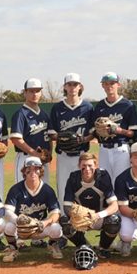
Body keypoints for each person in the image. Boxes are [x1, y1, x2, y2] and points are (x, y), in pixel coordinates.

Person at [1, 157, 63, 262]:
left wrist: (45, 223)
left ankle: (53, 245)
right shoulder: (16, 189)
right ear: (24, 171)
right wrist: (19, 221)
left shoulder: (47, 190)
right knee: (8, 226)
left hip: (39, 228)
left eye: (36, 169)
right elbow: (7, 211)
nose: (32, 172)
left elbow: (55, 213)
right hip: (21, 229)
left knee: (56, 228)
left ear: (41, 171)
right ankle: (13, 248)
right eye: (29, 169)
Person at [62, 152, 119, 258]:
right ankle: (84, 245)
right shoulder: (73, 178)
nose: (87, 169)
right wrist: (78, 216)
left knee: (114, 220)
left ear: (95, 165)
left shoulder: (103, 177)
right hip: (81, 220)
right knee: (65, 221)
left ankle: (103, 248)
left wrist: (97, 215)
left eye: (90, 166)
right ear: (79, 166)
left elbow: (114, 205)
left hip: (99, 218)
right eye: (84, 166)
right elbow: (66, 206)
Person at [48, 73, 94, 204]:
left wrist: (82, 140)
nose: (72, 87)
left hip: (82, 155)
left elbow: (93, 133)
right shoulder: (57, 108)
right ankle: (64, 219)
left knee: (84, 189)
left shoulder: (88, 107)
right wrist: (64, 138)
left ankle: (83, 219)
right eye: (69, 84)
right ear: (65, 87)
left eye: (75, 84)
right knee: (63, 189)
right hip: (64, 156)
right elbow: (52, 134)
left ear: (80, 87)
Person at [91, 72, 137, 182]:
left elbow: (133, 133)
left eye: (112, 83)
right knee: (105, 184)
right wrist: (99, 132)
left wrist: (119, 130)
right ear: (102, 86)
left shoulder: (128, 105)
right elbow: (94, 130)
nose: (109, 86)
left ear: (118, 85)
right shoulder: (100, 106)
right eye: (106, 83)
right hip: (104, 149)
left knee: (121, 183)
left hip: (121, 150)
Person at [10, 78, 52, 184]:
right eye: (31, 91)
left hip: (42, 159)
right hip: (26, 158)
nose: (35, 94)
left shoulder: (44, 114)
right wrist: (34, 153)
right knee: (23, 193)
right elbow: (16, 139)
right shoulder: (20, 114)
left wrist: (49, 154)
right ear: (25, 93)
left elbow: (49, 137)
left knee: (43, 193)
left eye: (37, 91)